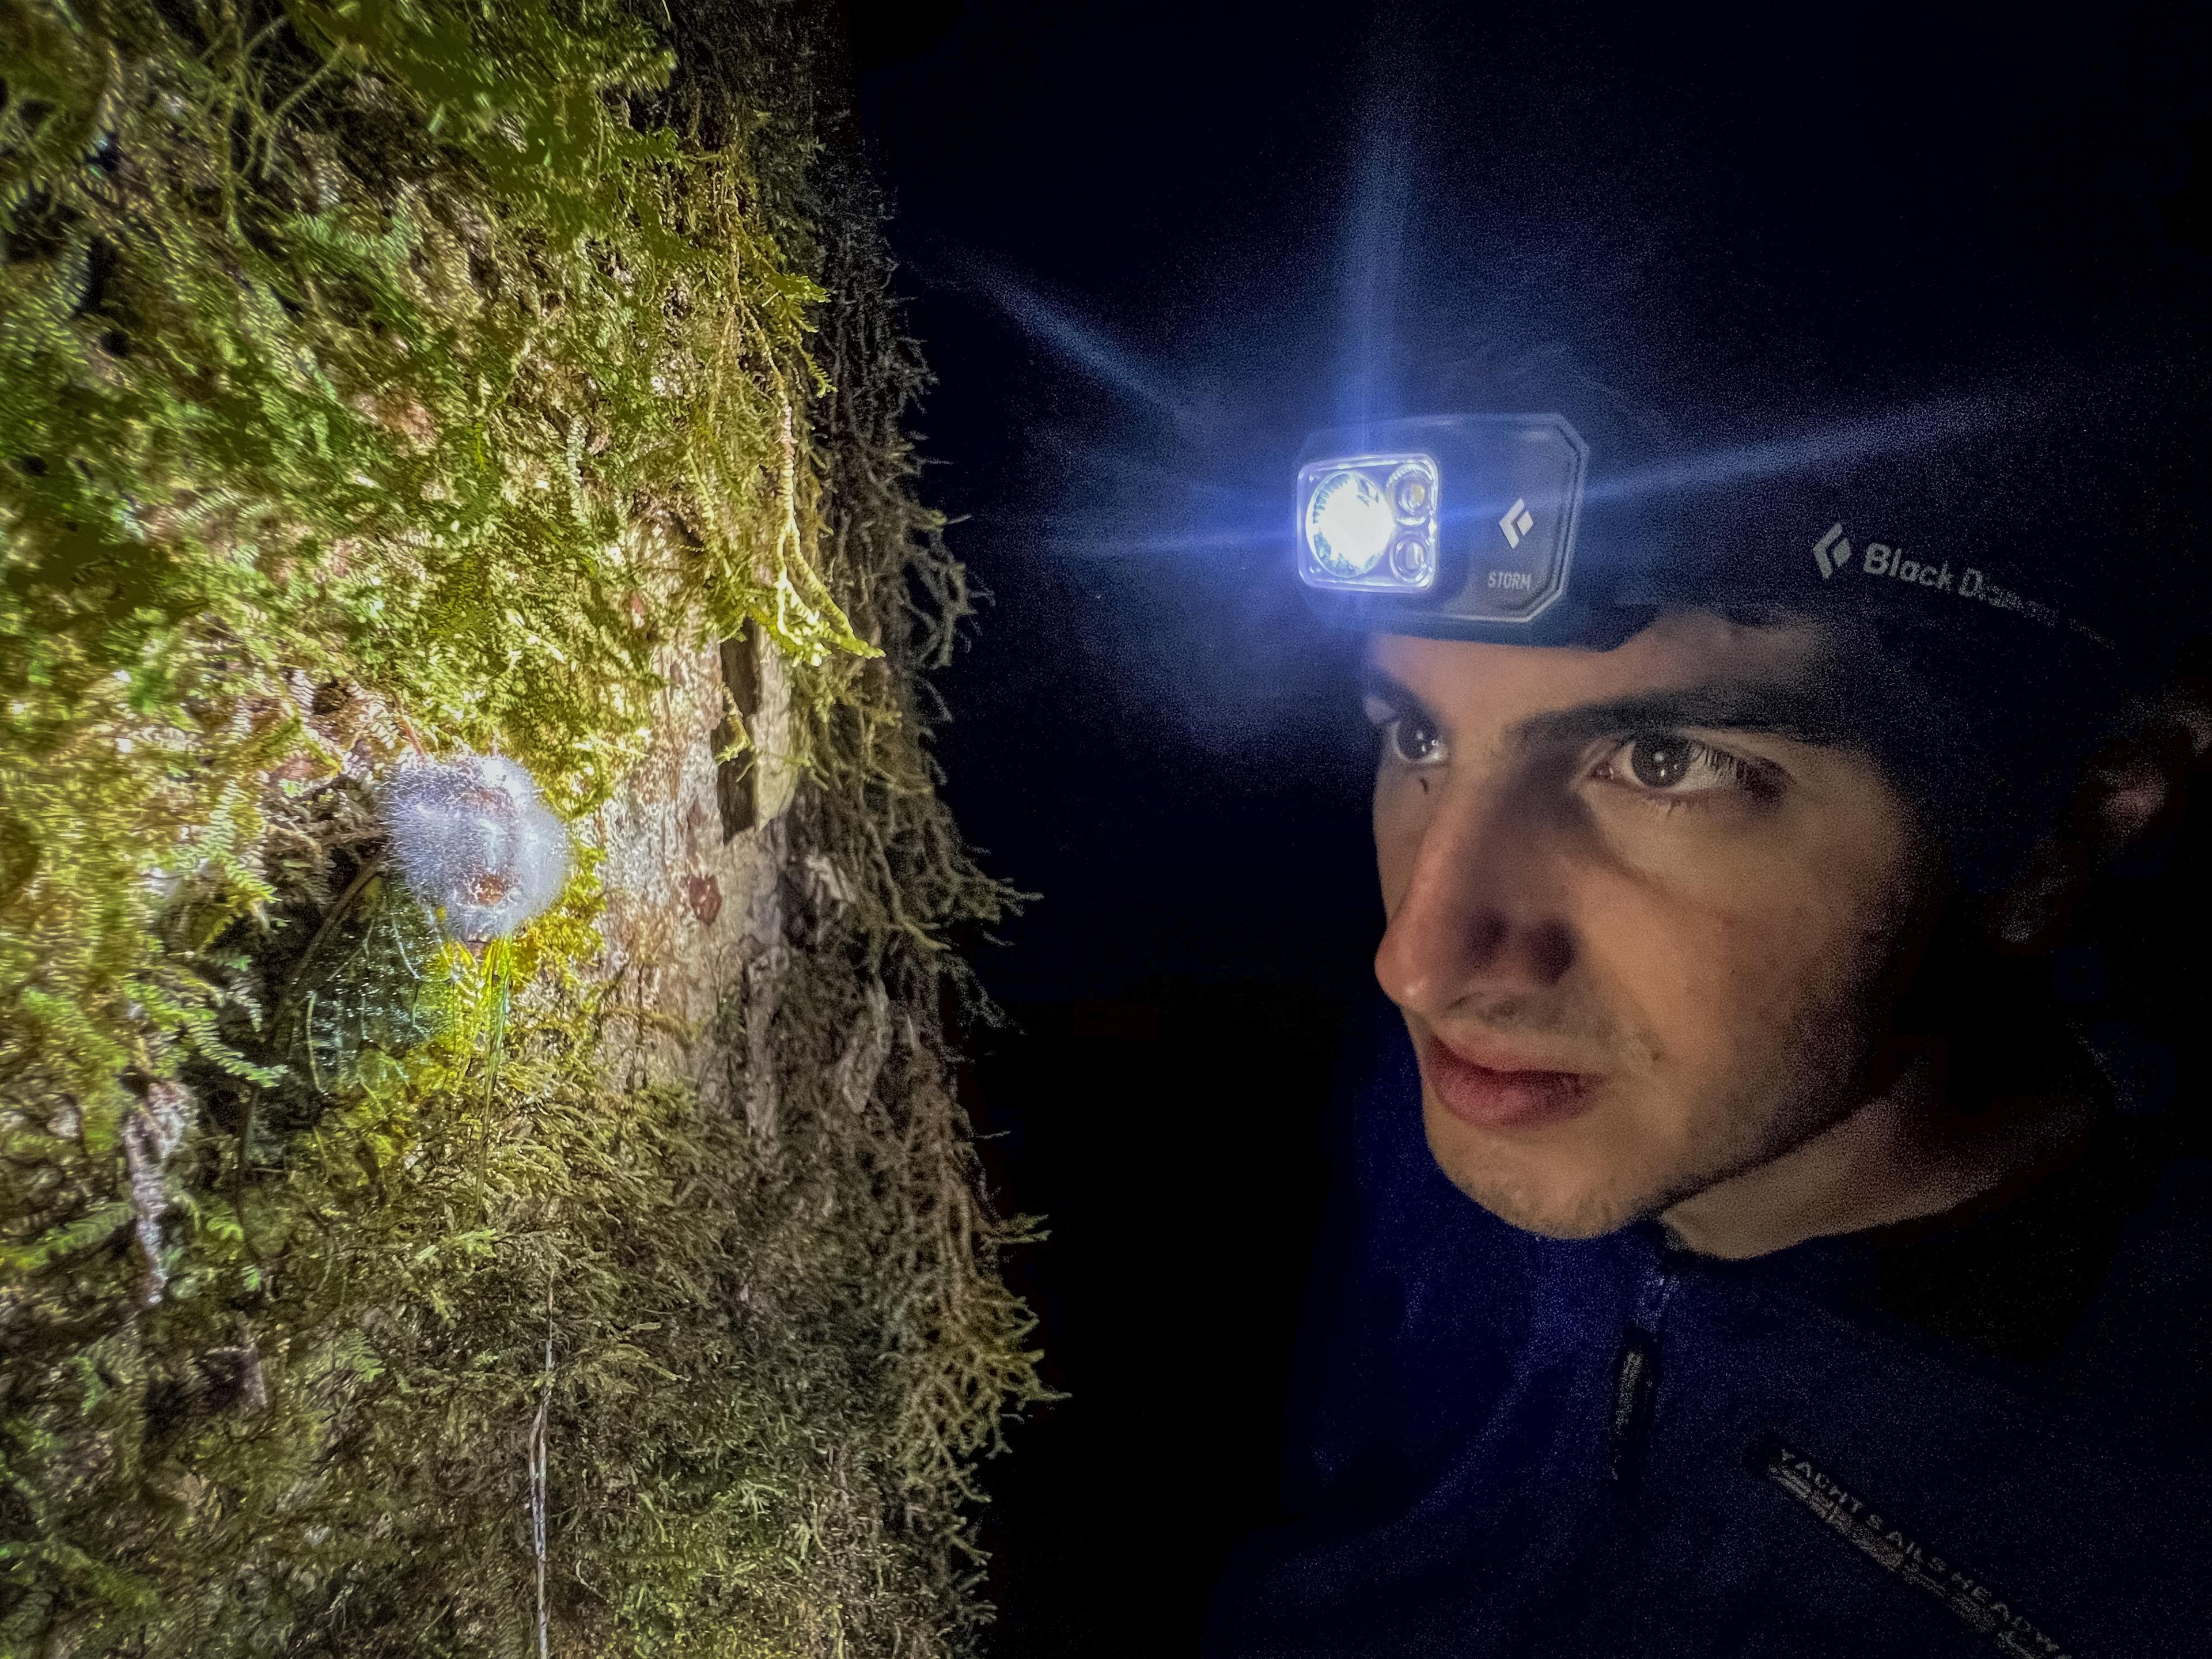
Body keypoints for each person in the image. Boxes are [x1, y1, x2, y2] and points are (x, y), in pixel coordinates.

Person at [1204, 368, 2212, 1657]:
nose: (1423, 960)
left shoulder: (2145, 1533)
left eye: (1665, 764)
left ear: (2070, 825)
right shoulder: (1447, 1114)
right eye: (1415, 739)